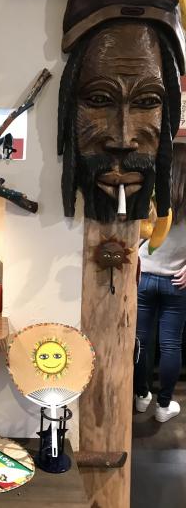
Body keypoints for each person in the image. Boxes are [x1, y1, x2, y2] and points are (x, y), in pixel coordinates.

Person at [134, 144, 186, 422]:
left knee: (140, 341)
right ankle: (164, 406)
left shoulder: (152, 199)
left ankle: (141, 396)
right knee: (170, 345)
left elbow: (135, 232)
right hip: (177, 282)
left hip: (143, 276)